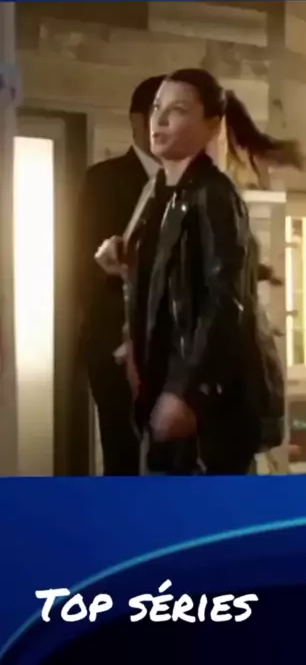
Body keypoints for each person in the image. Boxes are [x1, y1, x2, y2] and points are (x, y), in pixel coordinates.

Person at [96, 69, 306, 475]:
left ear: (212, 125)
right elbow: (168, 277)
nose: (160, 120)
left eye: (178, 110)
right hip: (158, 386)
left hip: (207, 410)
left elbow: (225, 302)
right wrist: (123, 256)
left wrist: (189, 391)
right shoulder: (158, 192)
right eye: (157, 108)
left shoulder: (214, 195)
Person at [76, 76, 165, 475]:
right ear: (136, 121)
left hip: (174, 351)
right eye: (160, 113)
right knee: (125, 456)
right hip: (115, 341)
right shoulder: (103, 179)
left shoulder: (192, 182)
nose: (170, 125)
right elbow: (80, 264)